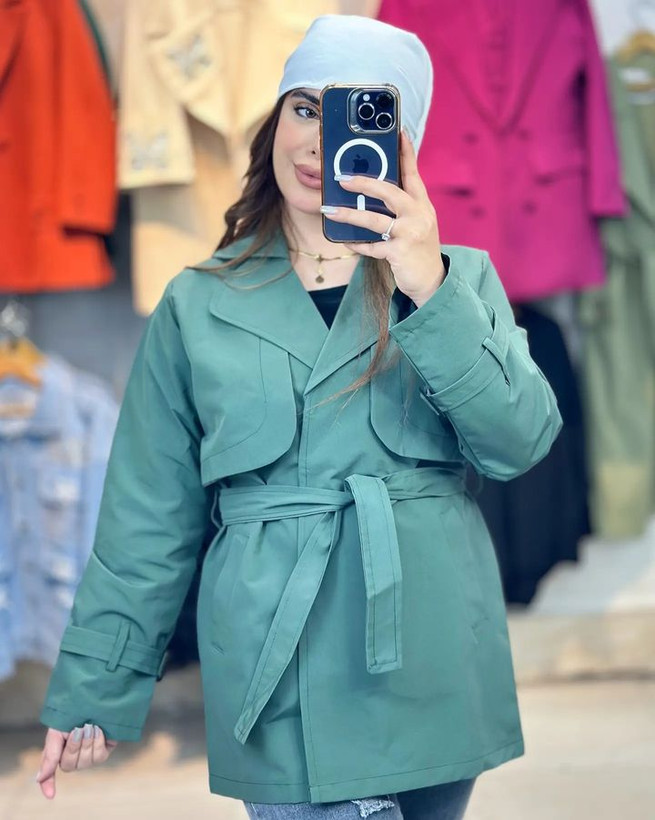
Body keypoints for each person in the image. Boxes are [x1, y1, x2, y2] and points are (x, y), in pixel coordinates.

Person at [35, 14, 562, 819]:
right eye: (304, 108)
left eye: (354, 116)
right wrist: (95, 685)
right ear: (274, 120)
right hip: (276, 660)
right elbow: (146, 515)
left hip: (430, 656)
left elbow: (518, 440)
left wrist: (426, 283)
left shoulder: (456, 282)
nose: (318, 142)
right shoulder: (198, 304)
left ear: (401, 147)